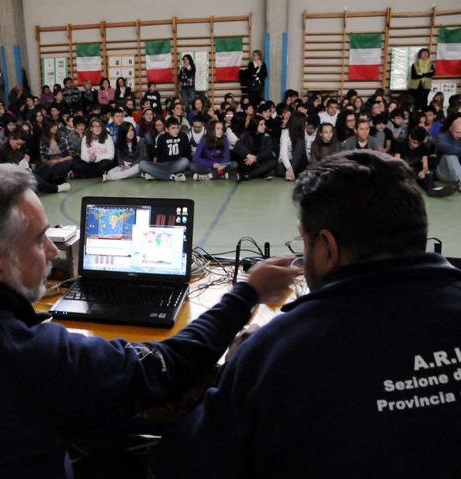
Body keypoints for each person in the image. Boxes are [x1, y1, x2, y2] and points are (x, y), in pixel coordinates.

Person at [0, 160, 297, 477]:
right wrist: (247, 292)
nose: (55, 251)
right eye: (41, 239)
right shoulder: (41, 358)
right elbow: (169, 367)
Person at [151, 149, 461, 478]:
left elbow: (182, 463)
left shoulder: (276, 354)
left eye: (305, 242)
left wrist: (234, 369)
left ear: (327, 247)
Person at [394, 126, 455, 198]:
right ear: (410, 137)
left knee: (427, 173)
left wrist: (423, 171)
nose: (416, 145)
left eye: (418, 143)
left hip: (417, 171)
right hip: (404, 171)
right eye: (414, 142)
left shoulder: (424, 147)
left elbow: (425, 166)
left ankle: (432, 189)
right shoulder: (402, 145)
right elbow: (396, 162)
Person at [139, 116, 191, 182]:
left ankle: (156, 175)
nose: (176, 130)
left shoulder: (183, 136)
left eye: (178, 128)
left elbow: (187, 152)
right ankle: (171, 177)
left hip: (177, 163)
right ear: (166, 129)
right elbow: (158, 154)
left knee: (185, 161)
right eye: (173, 128)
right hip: (163, 164)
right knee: (142, 164)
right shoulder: (161, 137)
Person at [234, 116, 276, 182]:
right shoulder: (246, 135)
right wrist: (248, 155)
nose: (264, 126)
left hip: (259, 160)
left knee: (273, 162)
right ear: (255, 125)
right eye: (261, 124)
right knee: (242, 162)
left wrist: (255, 158)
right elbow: (237, 146)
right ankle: (262, 173)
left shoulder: (266, 136)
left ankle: (247, 176)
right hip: (248, 160)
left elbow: (268, 152)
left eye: (264, 124)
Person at [277, 111, 308, 181]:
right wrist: (290, 169)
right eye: (305, 122)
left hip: (299, 162)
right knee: (281, 170)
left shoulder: (303, 133)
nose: (306, 124)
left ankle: (290, 173)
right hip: (287, 163)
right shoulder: (285, 133)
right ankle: (291, 172)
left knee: (300, 142)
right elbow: (283, 155)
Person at [435, 113, 461, 193]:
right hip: (444, 172)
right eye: (457, 132)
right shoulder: (442, 136)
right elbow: (443, 146)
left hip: (458, 171)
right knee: (450, 155)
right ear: (450, 128)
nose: (459, 135)